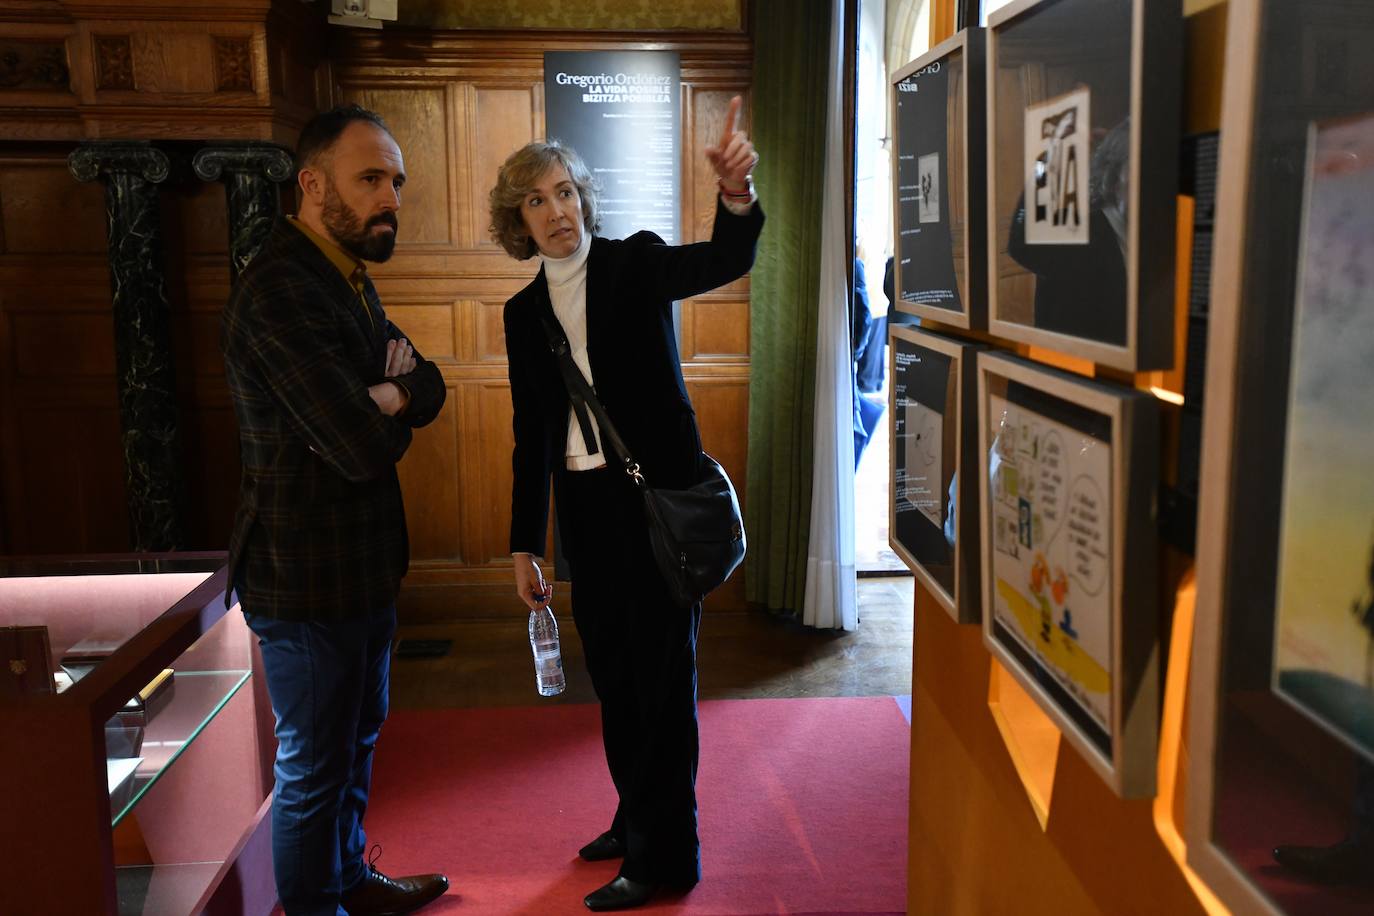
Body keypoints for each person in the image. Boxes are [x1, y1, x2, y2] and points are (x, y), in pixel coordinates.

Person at [489, 97, 763, 911]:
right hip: (584, 510)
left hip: (654, 502)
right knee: (611, 673)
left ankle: (667, 856)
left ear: (585, 197)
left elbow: (724, 259)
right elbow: (530, 431)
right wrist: (521, 545)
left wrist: (737, 198)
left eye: (566, 191)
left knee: (661, 679)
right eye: (537, 200)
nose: (556, 210)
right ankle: (635, 814)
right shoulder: (521, 312)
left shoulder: (632, 264)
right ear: (520, 221)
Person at [220, 104, 450, 916]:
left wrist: (389, 393)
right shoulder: (281, 288)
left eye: (396, 180)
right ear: (311, 183)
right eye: (371, 179)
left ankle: (349, 882)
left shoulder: (345, 273)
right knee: (313, 766)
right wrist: (390, 395)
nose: (391, 196)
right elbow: (358, 443)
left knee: (355, 743)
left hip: (360, 566)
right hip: (302, 575)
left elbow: (430, 386)